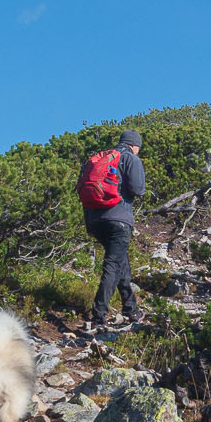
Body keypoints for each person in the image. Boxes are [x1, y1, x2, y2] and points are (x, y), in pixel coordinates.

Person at [85, 129, 146, 329]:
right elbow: (138, 189)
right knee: (112, 265)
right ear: (134, 145)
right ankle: (99, 314)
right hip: (119, 220)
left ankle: (131, 309)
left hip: (95, 220)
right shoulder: (130, 159)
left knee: (121, 263)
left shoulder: (99, 160)